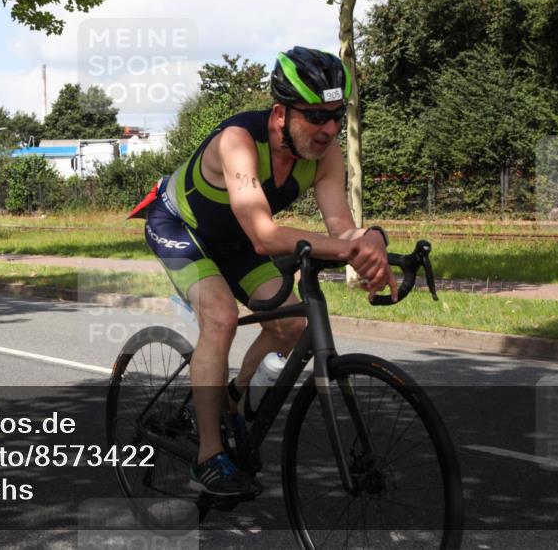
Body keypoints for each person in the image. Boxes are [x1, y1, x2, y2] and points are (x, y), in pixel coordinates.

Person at [129, 47, 397, 497]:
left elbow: (340, 226)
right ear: (280, 113)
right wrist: (352, 247)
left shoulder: (324, 153)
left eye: (337, 114)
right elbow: (264, 234)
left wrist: (367, 245)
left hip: (235, 240)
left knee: (292, 323)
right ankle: (208, 458)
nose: (329, 129)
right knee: (221, 317)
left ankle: (235, 393)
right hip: (181, 227)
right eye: (315, 115)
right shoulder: (237, 141)